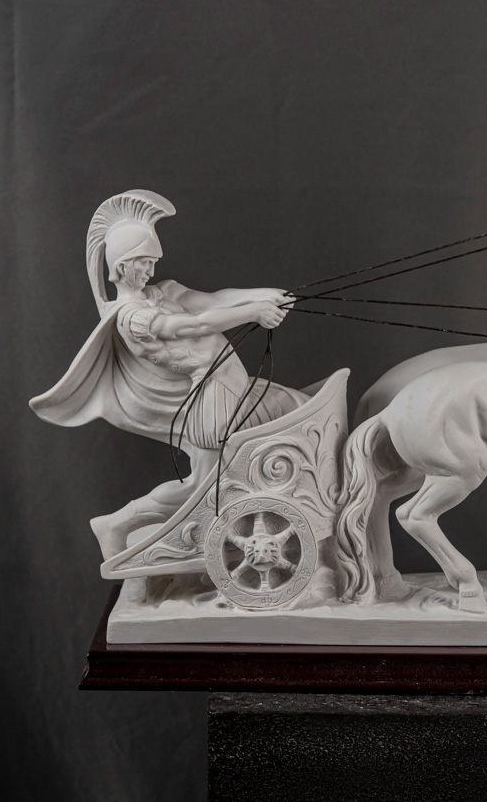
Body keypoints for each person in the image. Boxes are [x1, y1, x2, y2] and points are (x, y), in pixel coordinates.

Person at [30, 190, 307, 560]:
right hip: (211, 399)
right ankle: (116, 524)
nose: (150, 271)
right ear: (121, 267)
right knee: (204, 485)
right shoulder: (133, 318)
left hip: (235, 384)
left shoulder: (163, 292)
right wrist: (253, 312)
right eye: (143, 263)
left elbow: (213, 300)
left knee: (295, 407)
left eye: (152, 262)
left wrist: (264, 294)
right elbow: (194, 325)